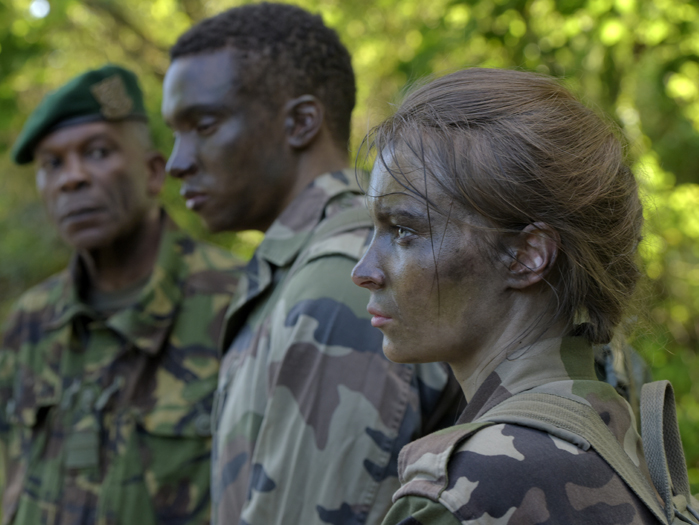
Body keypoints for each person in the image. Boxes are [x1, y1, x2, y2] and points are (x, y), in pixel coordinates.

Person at [160, 4, 462, 524]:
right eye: (175, 132)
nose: (176, 161)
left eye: (203, 125)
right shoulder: (311, 265)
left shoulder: (339, 282)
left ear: (301, 122)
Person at [349, 68, 666, 524]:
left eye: (404, 231)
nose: (364, 272)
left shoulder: (468, 487)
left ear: (526, 256)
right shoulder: (616, 431)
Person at [0, 65, 241, 524]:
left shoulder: (238, 302)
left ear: (154, 172)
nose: (72, 179)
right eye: (52, 164)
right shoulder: (28, 322)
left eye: (96, 152)